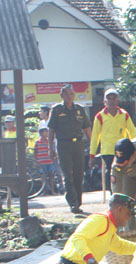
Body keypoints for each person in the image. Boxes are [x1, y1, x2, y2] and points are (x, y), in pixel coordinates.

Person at [47, 84, 93, 214]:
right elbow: (51, 130)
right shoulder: (56, 110)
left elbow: (87, 128)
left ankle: (78, 202)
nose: (69, 96)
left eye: (71, 93)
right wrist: (51, 149)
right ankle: (72, 203)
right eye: (66, 94)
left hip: (78, 144)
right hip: (63, 145)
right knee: (68, 174)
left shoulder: (80, 109)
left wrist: (93, 147)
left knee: (79, 174)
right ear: (61, 96)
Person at [89, 88, 136, 176]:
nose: (112, 101)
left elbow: (132, 132)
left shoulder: (124, 114)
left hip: (122, 149)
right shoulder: (100, 116)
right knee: (110, 173)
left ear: (117, 100)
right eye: (109, 99)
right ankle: (112, 190)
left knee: (124, 172)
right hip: (108, 150)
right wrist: (92, 155)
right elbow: (95, 136)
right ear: (105, 102)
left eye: (114, 98)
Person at [34, 127, 58, 195]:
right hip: (41, 162)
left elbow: (54, 150)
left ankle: (52, 191)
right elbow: (35, 152)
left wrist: (55, 157)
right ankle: (44, 191)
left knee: (51, 177)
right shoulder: (37, 142)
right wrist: (35, 161)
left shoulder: (50, 142)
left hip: (50, 162)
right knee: (43, 177)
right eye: (45, 132)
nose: (47, 133)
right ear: (41, 133)